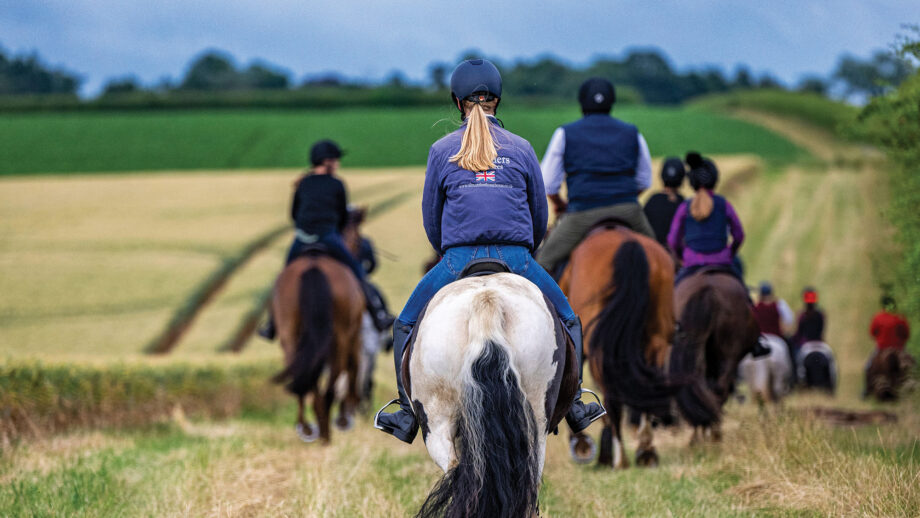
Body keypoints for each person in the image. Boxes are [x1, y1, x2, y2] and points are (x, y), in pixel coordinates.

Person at [375, 59, 605, 444]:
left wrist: (450, 250)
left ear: (456, 100)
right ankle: (578, 401)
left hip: (457, 259)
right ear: (498, 99)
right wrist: (523, 251)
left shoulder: (441, 149)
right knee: (568, 320)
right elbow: (539, 214)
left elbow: (432, 218)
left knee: (405, 323)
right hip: (516, 256)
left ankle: (403, 411)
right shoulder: (522, 147)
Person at [259, 139, 392, 340]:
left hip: (302, 238)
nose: (338, 163)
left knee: (283, 276)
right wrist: (333, 230)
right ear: (327, 161)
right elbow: (341, 216)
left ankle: (271, 325)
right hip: (328, 237)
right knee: (356, 270)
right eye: (336, 159)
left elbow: (294, 214)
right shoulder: (337, 184)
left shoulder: (302, 183)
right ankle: (378, 315)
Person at [536, 77, 655, 273]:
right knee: (662, 259)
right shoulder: (633, 133)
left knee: (543, 264)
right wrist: (624, 198)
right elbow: (644, 180)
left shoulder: (565, 133)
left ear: (582, 102)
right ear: (612, 102)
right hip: (628, 210)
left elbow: (548, 184)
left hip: (582, 212)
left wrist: (559, 203)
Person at [667, 152, 745, 287]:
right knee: (744, 295)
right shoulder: (724, 204)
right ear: (714, 180)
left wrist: (682, 256)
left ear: (692, 181)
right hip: (722, 262)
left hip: (692, 263)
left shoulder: (684, 207)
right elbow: (739, 235)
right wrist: (729, 253)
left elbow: (673, 240)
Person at [863, 295, 911, 395]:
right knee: (913, 366)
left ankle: (866, 392)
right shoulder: (900, 318)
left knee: (867, 367)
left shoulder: (878, 317)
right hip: (899, 349)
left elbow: (872, 333)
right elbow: (906, 334)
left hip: (882, 349)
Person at [643, 157, 686, 248]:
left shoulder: (653, 199)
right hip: (675, 256)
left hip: (653, 253)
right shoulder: (682, 203)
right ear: (682, 178)